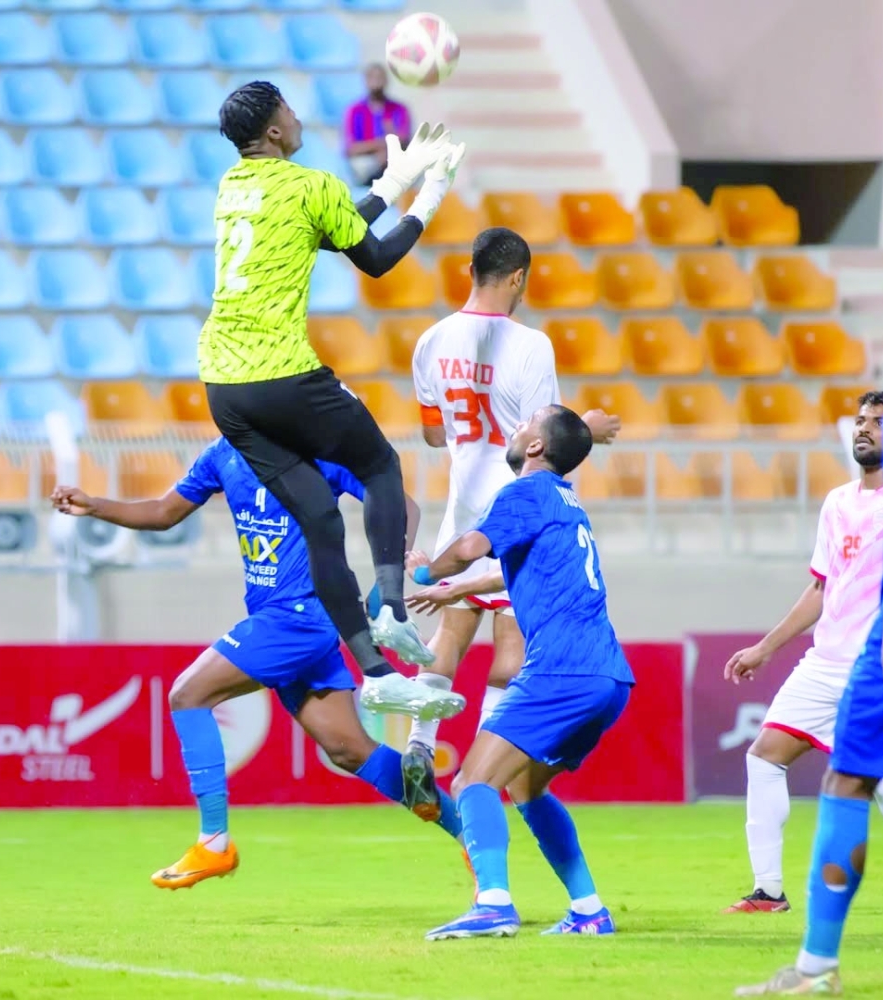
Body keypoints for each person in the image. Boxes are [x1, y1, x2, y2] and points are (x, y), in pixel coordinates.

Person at [50, 438, 465, 889]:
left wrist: (389, 575)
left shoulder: (318, 445)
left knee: (188, 694)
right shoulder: (220, 454)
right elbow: (163, 512)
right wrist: (95, 506)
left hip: (297, 617)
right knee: (348, 750)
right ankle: (470, 835)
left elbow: (399, 504)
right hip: (286, 618)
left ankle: (214, 844)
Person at [199, 80, 467, 721]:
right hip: (281, 370)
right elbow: (372, 259)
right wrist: (425, 198)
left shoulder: (233, 188)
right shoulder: (310, 182)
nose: (297, 117)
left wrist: (389, 183)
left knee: (319, 518)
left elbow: (321, 228)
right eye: (288, 110)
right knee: (378, 466)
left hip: (223, 386)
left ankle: (375, 673)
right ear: (272, 131)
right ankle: (394, 609)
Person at [736, 321, 883, 995]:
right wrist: (767, 647)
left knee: (861, 773)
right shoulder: (838, 502)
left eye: (877, 421)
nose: (866, 429)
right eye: (859, 421)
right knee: (776, 756)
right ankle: (770, 889)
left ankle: (828, 957)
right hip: (832, 659)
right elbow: (823, 587)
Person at [399, 226, 620, 819]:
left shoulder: (431, 341)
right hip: (513, 509)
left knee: (447, 637)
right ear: (518, 276)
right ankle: (483, 764)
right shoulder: (531, 346)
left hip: (460, 504)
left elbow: (429, 433)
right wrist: (586, 429)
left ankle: (418, 746)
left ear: (471, 270)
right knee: (510, 648)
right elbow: (535, 442)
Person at [405, 405, 635, 940]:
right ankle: (589, 911)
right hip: (607, 677)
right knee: (528, 788)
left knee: (471, 781)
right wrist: (459, 589)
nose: (516, 429)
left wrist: (425, 569)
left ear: (536, 447)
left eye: (527, 422)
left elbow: (469, 547)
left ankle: (493, 903)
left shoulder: (523, 493)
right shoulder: (565, 501)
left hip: (561, 671)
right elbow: (522, 569)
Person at [344, 64, 412, 187]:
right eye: (372, 77)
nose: (376, 81)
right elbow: (352, 149)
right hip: (366, 161)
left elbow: (403, 139)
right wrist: (381, 146)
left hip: (393, 159)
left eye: (379, 77)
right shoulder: (356, 111)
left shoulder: (398, 109)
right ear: (365, 80)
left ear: (386, 81)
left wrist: (387, 152)